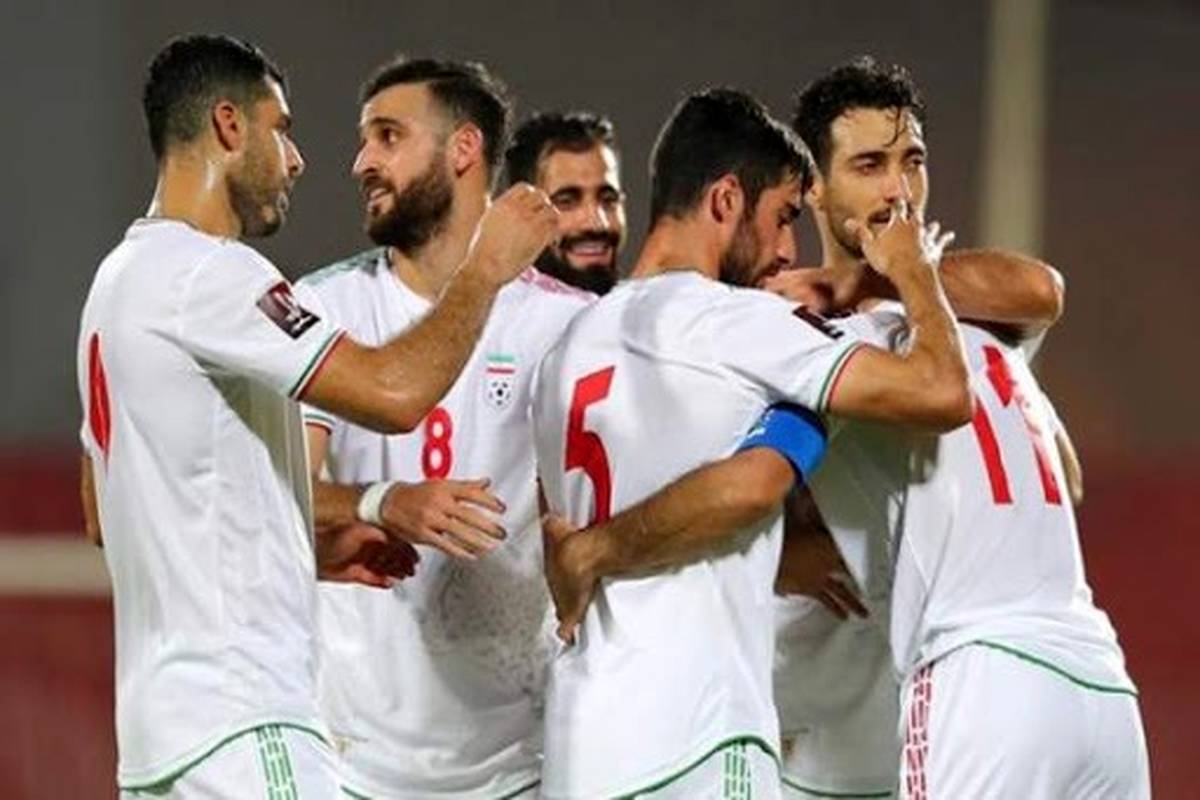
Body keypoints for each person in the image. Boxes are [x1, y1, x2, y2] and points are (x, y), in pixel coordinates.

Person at [547, 58, 1149, 800]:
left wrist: (871, 280)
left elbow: (1036, 310)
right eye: (870, 165)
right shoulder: (940, 333)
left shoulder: (876, 334)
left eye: (913, 161)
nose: (899, 188)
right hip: (1078, 682)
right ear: (815, 190)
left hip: (978, 680)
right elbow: (1056, 460)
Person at [76, 35, 555, 798]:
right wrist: (485, 272)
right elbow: (395, 393)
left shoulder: (116, 284)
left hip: (163, 734)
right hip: (245, 724)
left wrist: (289, 547)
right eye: (282, 129)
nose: (298, 160)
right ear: (230, 126)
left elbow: (103, 509)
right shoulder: (214, 275)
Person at [532, 87, 973, 800]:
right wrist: (915, 272)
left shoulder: (564, 348)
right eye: (782, 218)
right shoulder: (734, 324)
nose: (786, 251)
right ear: (726, 200)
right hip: (698, 736)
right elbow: (942, 392)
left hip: (582, 746)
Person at [299, 58, 594, 800]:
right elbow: (277, 497)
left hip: (519, 761)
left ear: (463, 149)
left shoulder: (568, 324)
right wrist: (382, 502)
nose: (362, 162)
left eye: (388, 136)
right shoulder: (325, 309)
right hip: (351, 761)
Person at [504, 111, 626, 294]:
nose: (597, 223)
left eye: (608, 200)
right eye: (566, 201)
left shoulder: (644, 307)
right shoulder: (486, 309)